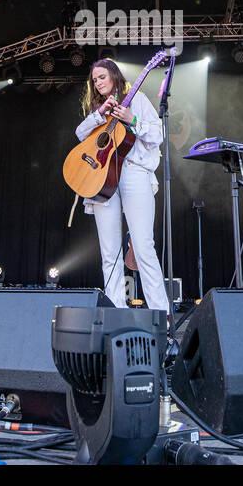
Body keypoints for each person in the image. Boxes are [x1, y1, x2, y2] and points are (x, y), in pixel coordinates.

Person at [74, 59, 169, 311]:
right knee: (109, 252)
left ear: (115, 76)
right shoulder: (99, 109)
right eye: (94, 80)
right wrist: (99, 114)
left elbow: (158, 134)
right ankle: (116, 309)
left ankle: (161, 313)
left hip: (134, 172)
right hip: (103, 179)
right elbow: (80, 134)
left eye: (102, 77)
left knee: (143, 246)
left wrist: (132, 119)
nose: (98, 83)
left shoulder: (136, 98)